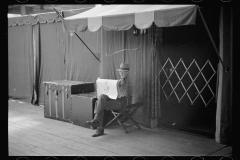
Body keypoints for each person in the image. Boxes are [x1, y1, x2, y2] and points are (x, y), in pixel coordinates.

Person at [86, 62, 129, 137]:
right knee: (100, 99)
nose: (122, 73)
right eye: (120, 72)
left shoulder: (127, 81)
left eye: (124, 72)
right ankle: (97, 123)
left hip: (123, 102)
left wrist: (119, 84)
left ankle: (99, 127)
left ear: (127, 73)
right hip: (117, 100)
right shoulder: (120, 81)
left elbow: (124, 90)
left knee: (99, 103)